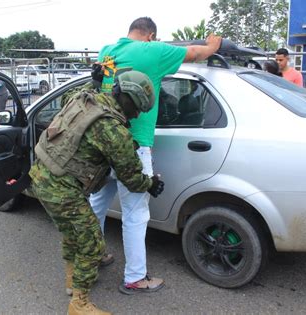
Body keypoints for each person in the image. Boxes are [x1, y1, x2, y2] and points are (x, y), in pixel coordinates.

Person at [89, 16, 221, 295]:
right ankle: (135, 277)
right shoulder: (155, 52)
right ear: (151, 35)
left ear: (130, 32)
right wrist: (212, 45)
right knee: (135, 214)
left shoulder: (106, 52)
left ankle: (93, 256)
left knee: (97, 204)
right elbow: (196, 52)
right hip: (134, 147)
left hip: (103, 144)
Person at [29, 70, 164, 315]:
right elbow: (132, 179)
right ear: (128, 101)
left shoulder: (84, 97)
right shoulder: (114, 131)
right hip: (62, 188)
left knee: (73, 232)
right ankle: (79, 304)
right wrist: (151, 184)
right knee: (92, 244)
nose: (137, 116)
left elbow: (63, 100)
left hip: (40, 175)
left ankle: (72, 278)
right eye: (137, 109)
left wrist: (94, 82)